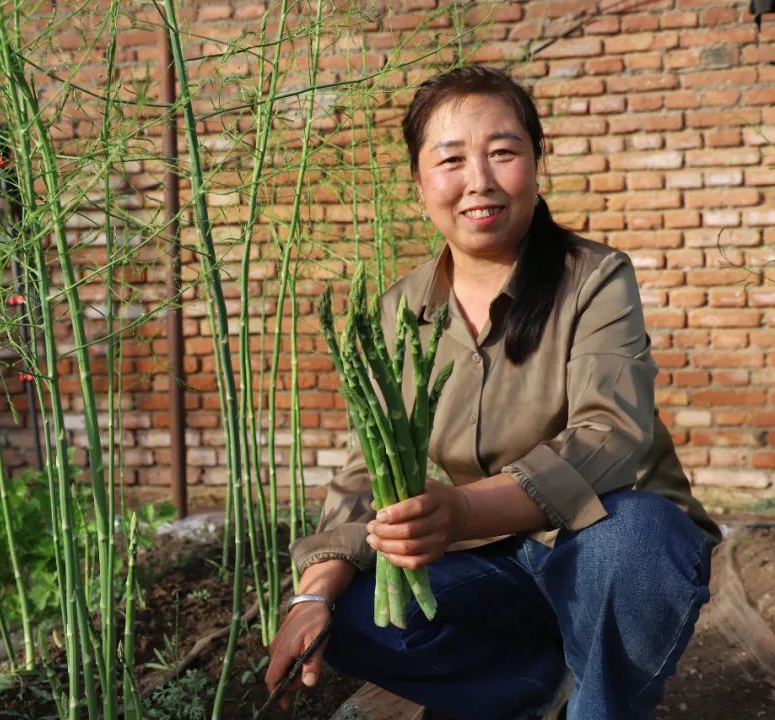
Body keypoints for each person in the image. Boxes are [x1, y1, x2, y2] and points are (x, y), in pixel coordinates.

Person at [264, 66, 721, 720]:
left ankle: (602, 703)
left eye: (503, 153)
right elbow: (369, 471)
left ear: (538, 165)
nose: (479, 180)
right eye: (451, 159)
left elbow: (609, 433)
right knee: (357, 619)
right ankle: (540, 687)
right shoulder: (398, 313)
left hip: (594, 545)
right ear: (420, 182)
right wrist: (313, 596)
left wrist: (461, 511)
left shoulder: (593, 278)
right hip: (483, 569)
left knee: (641, 541)